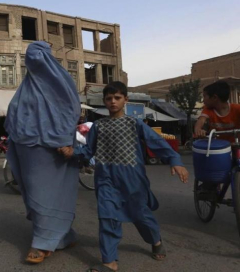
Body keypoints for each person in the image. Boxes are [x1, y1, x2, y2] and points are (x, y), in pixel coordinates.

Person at [59, 81, 189, 272]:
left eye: (117, 98)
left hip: (133, 179)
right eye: (109, 98)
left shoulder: (134, 123)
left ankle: (155, 240)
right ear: (104, 101)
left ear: (125, 100)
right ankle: (109, 262)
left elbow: (156, 142)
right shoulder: (98, 126)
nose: (113, 102)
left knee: (141, 215)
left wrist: (175, 160)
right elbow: (88, 151)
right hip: (105, 179)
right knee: (107, 217)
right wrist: (73, 153)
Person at [4, 41, 81, 264]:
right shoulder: (25, 87)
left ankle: (41, 242)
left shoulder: (61, 81)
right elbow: (13, 116)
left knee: (45, 194)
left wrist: (63, 140)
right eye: (31, 56)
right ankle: (64, 235)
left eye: (39, 56)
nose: (35, 59)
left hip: (53, 149)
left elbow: (71, 110)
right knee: (33, 192)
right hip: (27, 148)